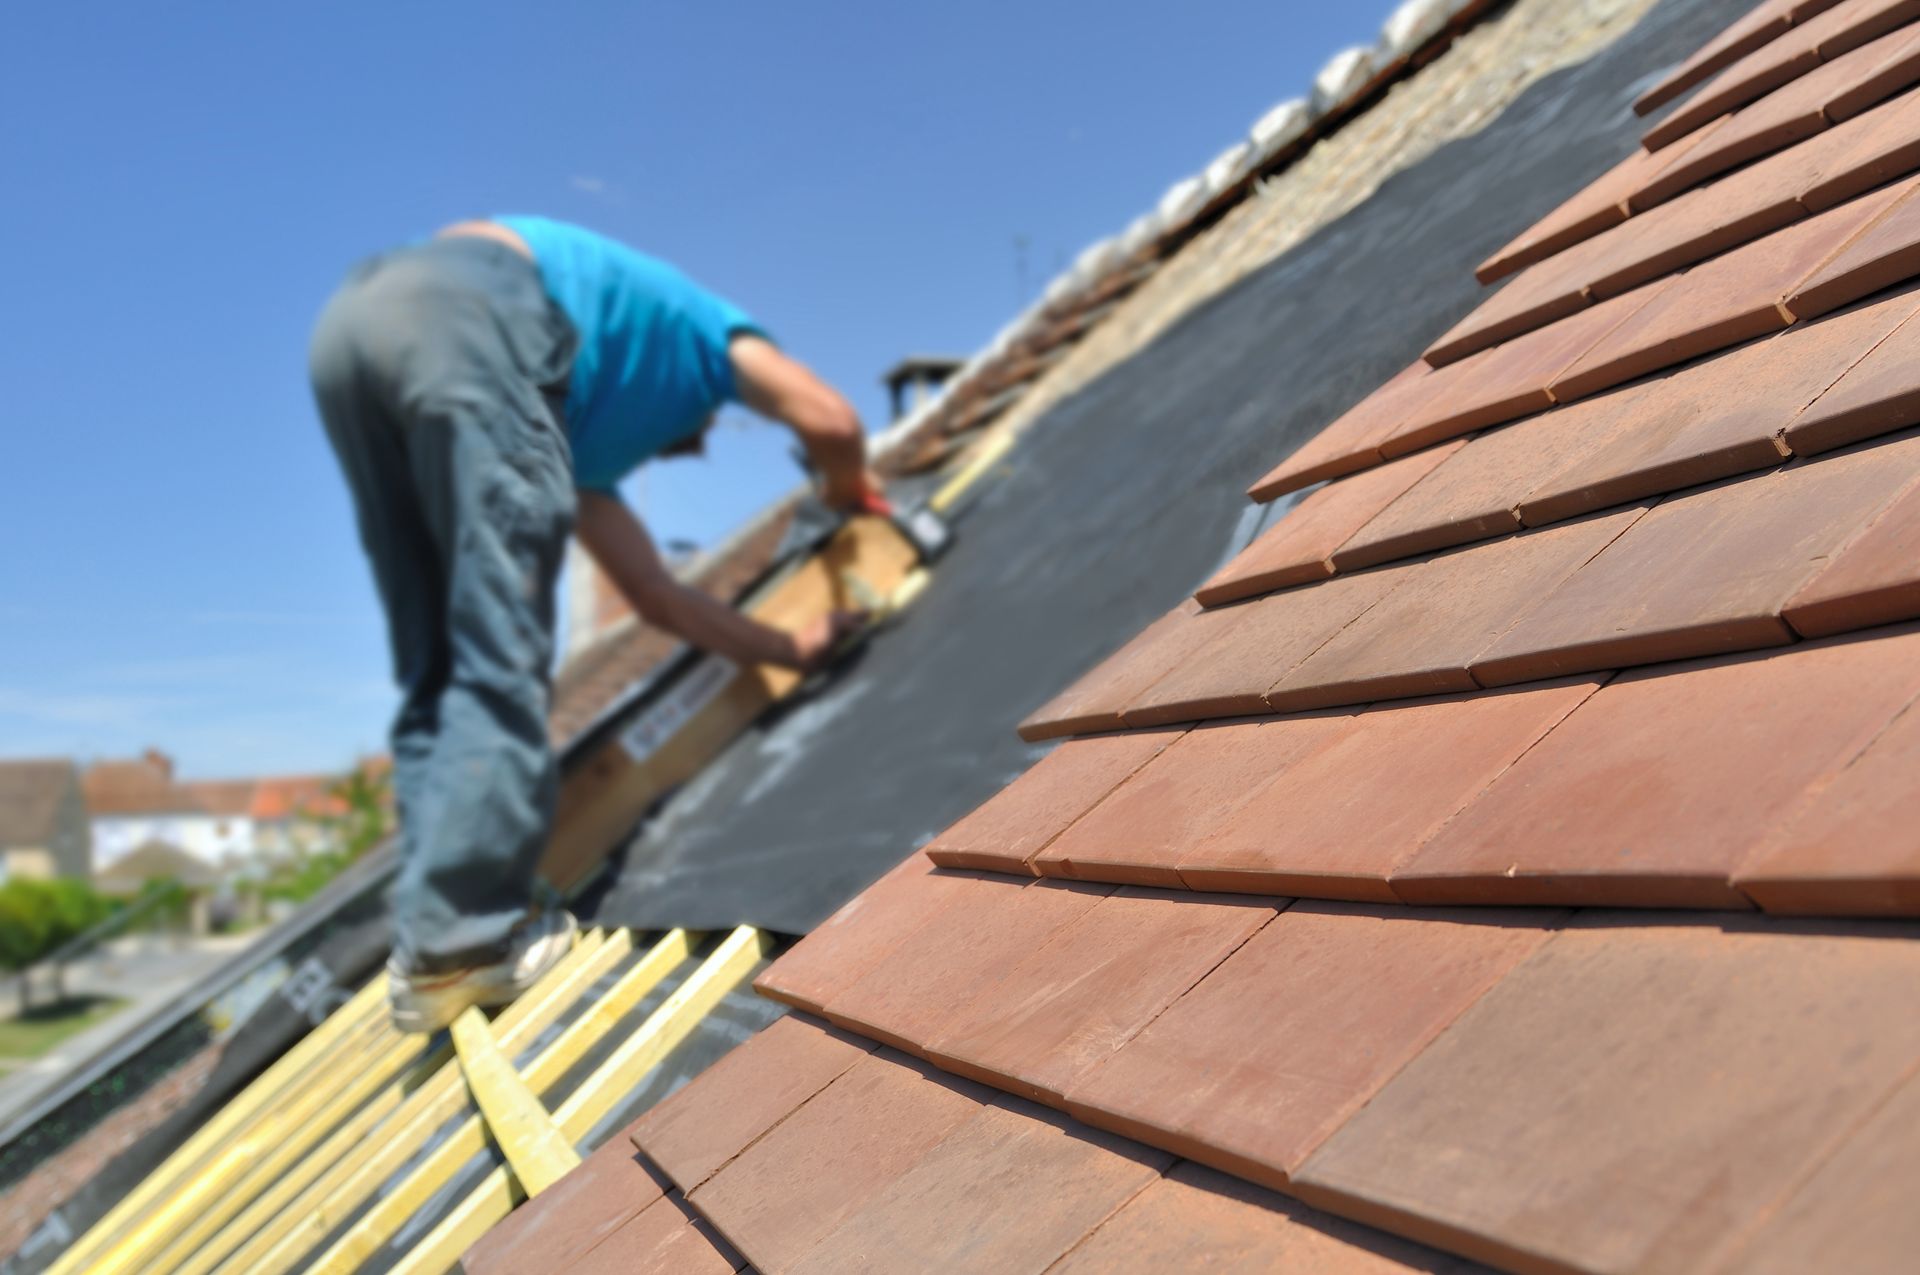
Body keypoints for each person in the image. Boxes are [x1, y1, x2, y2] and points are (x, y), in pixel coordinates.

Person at [309, 216, 880, 1031]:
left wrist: (793, 647)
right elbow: (829, 419)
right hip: (478, 304)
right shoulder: (712, 334)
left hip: (354, 327)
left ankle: (435, 930)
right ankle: (462, 941)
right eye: (697, 436)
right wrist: (849, 494)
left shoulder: (578, 451)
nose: (691, 449)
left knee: (438, 657)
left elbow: (657, 597)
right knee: (495, 641)